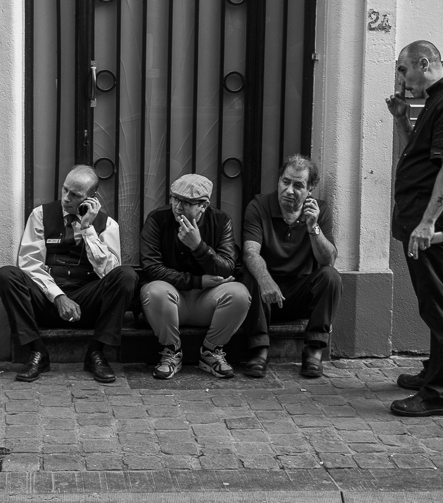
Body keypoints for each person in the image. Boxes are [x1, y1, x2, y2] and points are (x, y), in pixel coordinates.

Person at [386, 40, 443, 417]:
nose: (401, 78)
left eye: (403, 69)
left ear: (423, 63)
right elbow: (420, 155)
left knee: (439, 307)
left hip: (431, 226)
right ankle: (433, 373)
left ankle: (438, 394)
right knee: (431, 302)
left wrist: (427, 223)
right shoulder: (437, 100)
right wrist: (401, 119)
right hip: (420, 220)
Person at [0, 166, 138, 383]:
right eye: (65, 190)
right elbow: (30, 264)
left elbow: (109, 272)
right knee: (7, 275)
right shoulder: (41, 215)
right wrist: (58, 296)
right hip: (47, 301)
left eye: (75, 195)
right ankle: (37, 351)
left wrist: (88, 228)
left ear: (91, 198)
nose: (66, 198)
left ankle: (96, 352)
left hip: (87, 304)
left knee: (126, 275)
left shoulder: (108, 225)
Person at [239, 155, 343, 379]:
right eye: (285, 182)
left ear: (310, 189)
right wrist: (266, 281)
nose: (289, 190)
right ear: (278, 180)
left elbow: (328, 260)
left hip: (299, 292)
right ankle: (258, 349)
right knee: (251, 274)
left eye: (298, 185)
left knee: (331, 276)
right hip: (265, 296)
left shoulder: (320, 210)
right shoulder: (259, 206)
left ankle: (313, 350)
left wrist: (313, 227)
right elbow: (250, 252)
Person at [139, 174, 251, 380]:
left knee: (240, 294)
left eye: (187, 202)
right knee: (154, 290)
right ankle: (172, 351)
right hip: (171, 300)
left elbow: (228, 268)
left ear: (203, 205)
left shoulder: (221, 221)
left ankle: (211, 351)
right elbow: (151, 268)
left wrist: (198, 247)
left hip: (208, 299)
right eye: (175, 199)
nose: (178, 207)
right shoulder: (157, 219)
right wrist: (197, 281)